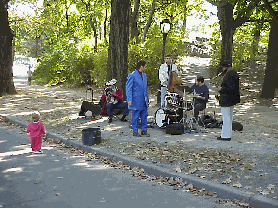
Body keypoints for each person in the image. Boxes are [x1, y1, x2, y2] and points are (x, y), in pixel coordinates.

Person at [217, 60, 240, 141]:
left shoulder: (229, 75)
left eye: (223, 67)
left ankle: (225, 136)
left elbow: (231, 88)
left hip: (226, 99)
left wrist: (221, 89)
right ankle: (227, 134)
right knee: (229, 118)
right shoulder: (234, 73)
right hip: (231, 99)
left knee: (226, 118)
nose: (222, 69)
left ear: (225, 67)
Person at [126, 60, 150, 137]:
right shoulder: (132, 75)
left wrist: (147, 98)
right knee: (135, 115)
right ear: (141, 67)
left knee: (144, 115)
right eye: (145, 66)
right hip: (136, 99)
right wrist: (129, 99)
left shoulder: (144, 75)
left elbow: (145, 88)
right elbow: (128, 88)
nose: (146, 68)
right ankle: (135, 130)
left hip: (143, 99)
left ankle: (144, 130)